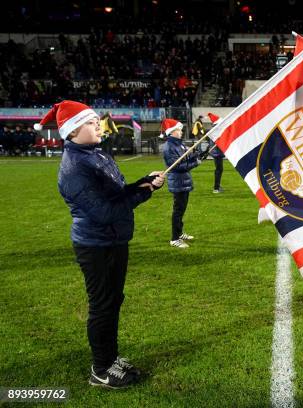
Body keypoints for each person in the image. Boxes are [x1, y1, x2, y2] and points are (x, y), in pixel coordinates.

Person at [36, 100, 165, 389]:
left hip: (114, 239)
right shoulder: (74, 169)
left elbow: (117, 194)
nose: (98, 124)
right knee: (103, 305)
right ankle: (100, 369)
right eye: (91, 121)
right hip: (96, 245)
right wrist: (144, 194)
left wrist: (143, 183)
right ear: (72, 130)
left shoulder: (95, 154)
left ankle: (111, 357)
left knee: (113, 301)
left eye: (96, 119)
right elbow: (105, 211)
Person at [162, 118, 201, 248]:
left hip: (184, 181)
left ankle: (179, 233)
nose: (181, 132)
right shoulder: (169, 147)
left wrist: (195, 154)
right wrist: (195, 163)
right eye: (179, 130)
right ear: (172, 132)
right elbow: (176, 166)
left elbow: (186, 157)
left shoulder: (179, 144)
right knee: (178, 211)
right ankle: (174, 238)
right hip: (178, 182)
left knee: (181, 210)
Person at [207, 113, 225, 193]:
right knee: (219, 170)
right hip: (217, 153)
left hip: (216, 152)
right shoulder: (216, 130)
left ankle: (217, 186)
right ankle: (216, 188)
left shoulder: (214, 130)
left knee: (219, 169)